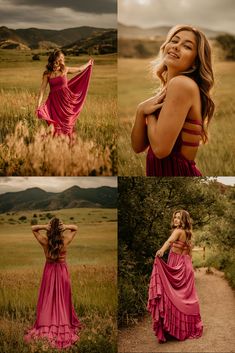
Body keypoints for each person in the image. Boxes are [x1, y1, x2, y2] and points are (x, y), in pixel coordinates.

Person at [131, 25, 215, 176]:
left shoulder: (181, 84)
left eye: (187, 46)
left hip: (175, 173)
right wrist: (140, 110)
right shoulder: (169, 88)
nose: (176, 47)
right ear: (165, 47)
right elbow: (138, 147)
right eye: (174, 41)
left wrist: (149, 114)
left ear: (195, 62)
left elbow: (160, 150)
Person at [24, 217, 81, 349]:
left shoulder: (45, 241)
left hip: (49, 272)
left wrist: (45, 226)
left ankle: (47, 323)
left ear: (50, 229)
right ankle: (62, 323)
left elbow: (33, 229)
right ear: (60, 229)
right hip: (62, 273)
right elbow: (75, 228)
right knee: (62, 299)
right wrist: (65, 226)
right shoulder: (65, 240)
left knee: (48, 299)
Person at [147, 210, 203, 343]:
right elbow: (188, 252)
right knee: (186, 298)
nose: (176, 220)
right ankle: (184, 328)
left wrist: (161, 251)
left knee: (171, 295)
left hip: (177, 264)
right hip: (186, 265)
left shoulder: (178, 231)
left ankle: (173, 329)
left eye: (179, 218)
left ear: (184, 220)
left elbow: (168, 241)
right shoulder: (188, 233)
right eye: (175, 217)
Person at [36, 49, 93, 136]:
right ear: (56, 60)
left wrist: (88, 63)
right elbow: (42, 90)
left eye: (61, 60)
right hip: (54, 103)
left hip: (66, 102)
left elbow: (80, 69)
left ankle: (67, 145)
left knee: (67, 125)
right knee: (55, 127)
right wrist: (38, 105)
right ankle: (54, 145)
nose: (61, 61)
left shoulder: (65, 70)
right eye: (61, 59)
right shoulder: (47, 74)